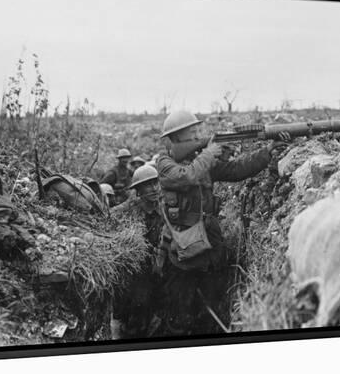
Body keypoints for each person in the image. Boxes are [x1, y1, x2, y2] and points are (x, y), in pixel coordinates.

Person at [156, 110, 290, 335]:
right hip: (181, 251)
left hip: (209, 248)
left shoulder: (202, 160)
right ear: (176, 138)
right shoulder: (165, 164)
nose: (198, 136)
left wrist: (267, 152)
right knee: (179, 316)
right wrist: (208, 153)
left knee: (212, 312)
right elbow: (187, 176)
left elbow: (236, 169)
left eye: (198, 132)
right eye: (193, 134)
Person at [111, 165, 164, 338]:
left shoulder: (162, 210)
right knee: (131, 313)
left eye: (155, 183)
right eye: (148, 185)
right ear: (138, 190)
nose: (154, 188)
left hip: (155, 270)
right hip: (132, 273)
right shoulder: (126, 210)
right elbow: (109, 221)